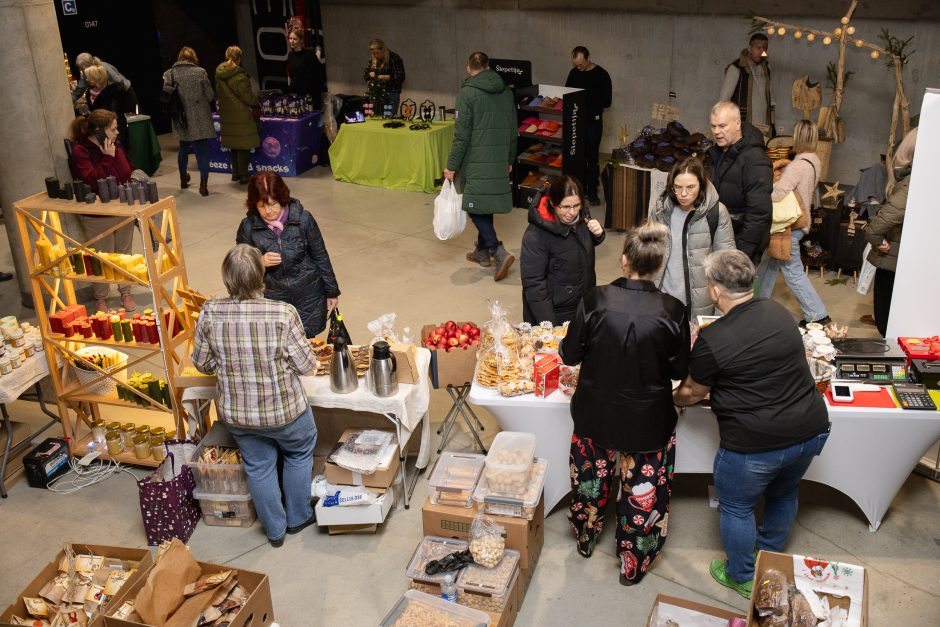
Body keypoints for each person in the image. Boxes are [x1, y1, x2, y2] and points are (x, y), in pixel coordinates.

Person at [673, 250, 829, 598]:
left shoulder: (714, 339)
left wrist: (674, 397)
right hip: (810, 430)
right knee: (785, 491)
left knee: (737, 507)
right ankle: (767, 552)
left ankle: (741, 575)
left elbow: (693, 393)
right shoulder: (780, 312)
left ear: (714, 290)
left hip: (756, 444)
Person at [561, 222, 690, 586]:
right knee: (642, 496)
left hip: (595, 415)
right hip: (648, 421)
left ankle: (586, 537)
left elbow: (571, 354)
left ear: (623, 261)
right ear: (658, 266)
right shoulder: (674, 310)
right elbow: (681, 369)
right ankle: (632, 562)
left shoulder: (594, 300)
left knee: (591, 482)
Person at [191, 244, 319, 547]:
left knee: (258, 465)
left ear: (226, 278)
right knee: (298, 453)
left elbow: (202, 362)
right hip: (285, 411)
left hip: (238, 414)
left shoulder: (210, 311)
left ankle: (274, 531)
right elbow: (307, 365)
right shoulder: (282, 313)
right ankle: (298, 517)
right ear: (261, 275)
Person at [236, 172, 340, 338]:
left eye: (273, 204)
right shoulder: (248, 227)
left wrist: (332, 292)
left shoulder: (304, 220)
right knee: (278, 346)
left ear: (282, 198)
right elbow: (239, 268)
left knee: (307, 345)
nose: (268, 211)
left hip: (308, 294)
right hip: (272, 298)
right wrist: (259, 262)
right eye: (261, 206)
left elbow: (320, 256)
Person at [444, 51, 518, 281]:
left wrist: (451, 166)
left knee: (475, 206)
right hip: (497, 157)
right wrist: (509, 159)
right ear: (488, 66)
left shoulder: (467, 94)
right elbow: (512, 129)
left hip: (476, 160)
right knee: (484, 202)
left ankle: (498, 250)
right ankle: (482, 252)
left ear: (469, 68)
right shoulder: (506, 92)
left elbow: (461, 135)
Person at [756, 120, 830, 326]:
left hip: (789, 224)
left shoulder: (798, 165)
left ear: (797, 137)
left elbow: (778, 194)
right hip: (798, 221)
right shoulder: (814, 161)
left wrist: (762, 186)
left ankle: (818, 315)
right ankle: (754, 305)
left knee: (793, 271)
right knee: (768, 265)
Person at [649, 157, 735, 319]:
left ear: (701, 185)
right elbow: (648, 253)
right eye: (677, 187)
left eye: (690, 187)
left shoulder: (716, 212)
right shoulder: (661, 209)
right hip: (662, 296)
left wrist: (719, 312)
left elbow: (727, 264)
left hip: (699, 302)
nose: (683, 194)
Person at [68, 110, 137, 313]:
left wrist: (116, 159)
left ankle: (125, 291)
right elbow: (91, 180)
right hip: (97, 215)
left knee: (124, 254)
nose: (117, 133)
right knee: (100, 257)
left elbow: (126, 171)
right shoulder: (81, 151)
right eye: (113, 129)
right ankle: (101, 298)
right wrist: (107, 159)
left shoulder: (115, 144)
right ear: (99, 131)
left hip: (121, 208)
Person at [520, 176, 605, 325]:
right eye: (565, 207)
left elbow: (576, 248)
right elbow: (534, 285)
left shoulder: (582, 217)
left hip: (583, 305)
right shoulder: (535, 236)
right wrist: (549, 326)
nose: (572, 212)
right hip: (556, 313)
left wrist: (598, 235)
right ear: (553, 203)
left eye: (577, 205)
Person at [707, 101, 773, 264]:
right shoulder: (717, 153)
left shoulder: (755, 159)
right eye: (713, 126)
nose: (716, 132)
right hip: (720, 239)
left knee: (735, 289)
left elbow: (759, 213)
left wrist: (741, 253)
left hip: (738, 245)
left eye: (722, 126)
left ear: (737, 124)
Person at [163, 47, 215, 197]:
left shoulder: (169, 74)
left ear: (179, 58)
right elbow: (210, 96)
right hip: (200, 118)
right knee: (202, 151)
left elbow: (167, 96)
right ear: (193, 58)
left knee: (183, 148)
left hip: (181, 117)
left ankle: (183, 178)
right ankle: (203, 186)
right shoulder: (200, 72)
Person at [565, 46, 612, 206]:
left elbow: (607, 101)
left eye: (580, 64)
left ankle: (593, 192)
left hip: (593, 121)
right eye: (575, 64)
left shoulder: (601, 75)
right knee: (578, 157)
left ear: (588, 58)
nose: (578, 68)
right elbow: (567, 94)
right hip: (575, 121)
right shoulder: (574, 73)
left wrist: (586, 96)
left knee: (592, 157)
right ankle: (581, 189)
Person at [215, 46, 259, 185]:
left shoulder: (219, 74)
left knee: (234, 145)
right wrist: (256, 100)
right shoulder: (240, 76)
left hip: (227, 115)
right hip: (241, 114)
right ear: (239, 58)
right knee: (243, 146)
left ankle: (235, 173)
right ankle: (244, 175)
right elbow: (248, 98)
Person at [719, 34, 775, 136]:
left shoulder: (766, 68)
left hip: (763, 128)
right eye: (758, 48)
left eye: (765, 48)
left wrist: (773, 125)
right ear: (749, 48)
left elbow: (771, 100)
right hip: (742, 127)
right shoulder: (736, 68)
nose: (762, 52)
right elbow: (724, 99)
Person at [83, 65, 134, 151]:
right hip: (99, 129)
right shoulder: (89, 92)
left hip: (115, 127)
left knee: (119, 152)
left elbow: (117, 112)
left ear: (95, 77)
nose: (86, 79)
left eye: (88, 77)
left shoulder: (115, 90)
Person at [363, 38, 405, 115]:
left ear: (383, 49)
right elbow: (365, 74)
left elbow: (401, 77)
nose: (375, 56)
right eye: (373, 54)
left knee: (388, 120)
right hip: (376, 95)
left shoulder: (394, 58)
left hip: (391, 94)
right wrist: (369, 74)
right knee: (376, 121)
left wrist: (387, 77)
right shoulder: (373, 60)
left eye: (377, 53)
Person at [286, 28, 326, 109]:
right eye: (290, 38)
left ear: (301, 40)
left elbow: (319, 73)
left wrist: (314, 91)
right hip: (296, 96)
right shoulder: (290, 55)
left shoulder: (308, 55)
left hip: (310, 96)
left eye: (295, 39)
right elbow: (292, 76)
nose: (291, 41)